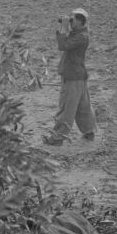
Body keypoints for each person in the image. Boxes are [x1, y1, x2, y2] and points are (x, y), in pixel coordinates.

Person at [42, 8, 96, 146]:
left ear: (80, 21)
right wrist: (67, 26)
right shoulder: (79, 33)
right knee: (83, 106)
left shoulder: (81, 37)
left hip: (73, 77)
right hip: (78, 75)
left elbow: (62, 45)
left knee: (67, 107)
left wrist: (63, 27)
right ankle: (89, 132)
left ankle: (57, 138)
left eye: (73, 20)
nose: (71, 22)